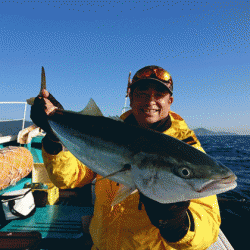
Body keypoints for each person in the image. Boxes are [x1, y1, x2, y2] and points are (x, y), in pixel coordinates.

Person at [31, 65, 221, 250]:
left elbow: (209, 223)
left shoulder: (186, 151)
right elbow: (68, 178)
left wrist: (177, 224)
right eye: (142, 94)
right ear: (130, 98)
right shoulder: (106, 130)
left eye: (159, 95)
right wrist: (54, 138)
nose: (150, 101)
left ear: (170, 101)